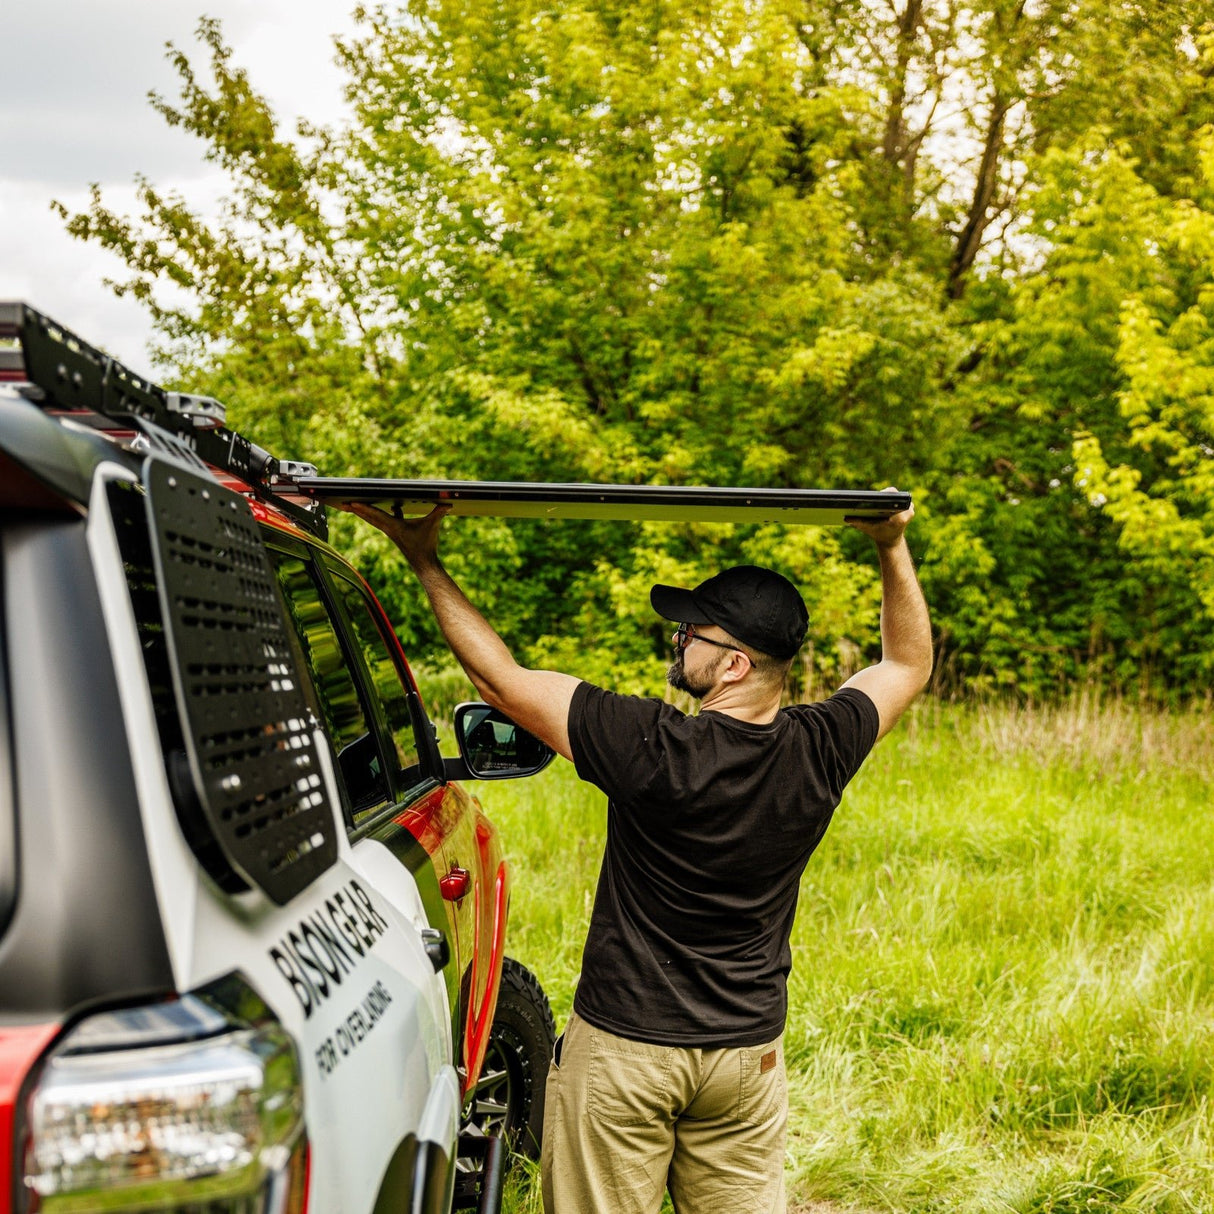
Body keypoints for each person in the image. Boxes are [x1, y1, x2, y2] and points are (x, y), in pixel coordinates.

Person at [343, 496, 932, 1214]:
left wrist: (422, 555)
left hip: (627, 1055)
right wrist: (891, 545)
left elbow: (498, 680)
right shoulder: (823, 746)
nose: (679, 638)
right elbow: (907, 662)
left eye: (694, 632)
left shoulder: (651, 745)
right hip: (747, 1062)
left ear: (735, 664)